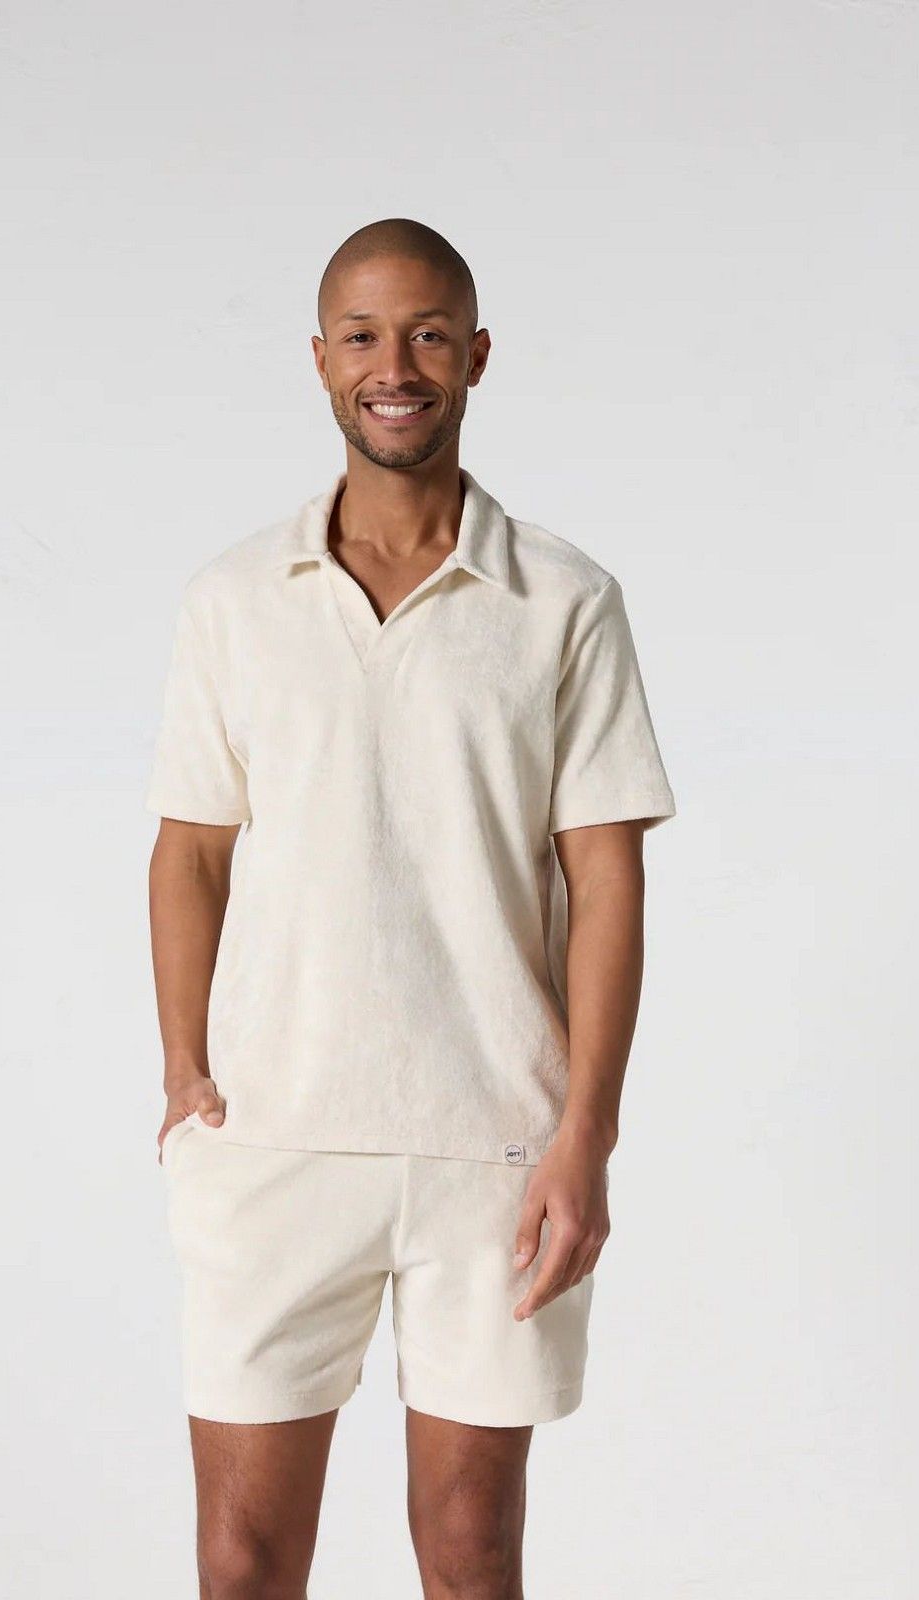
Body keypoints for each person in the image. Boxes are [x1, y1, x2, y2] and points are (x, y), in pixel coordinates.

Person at [144, 216, 677, 1600]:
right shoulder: (233, 599)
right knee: (243, 1560)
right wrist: (186, 1073)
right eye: (365, 337)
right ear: (322, 360)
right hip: (273, 1138)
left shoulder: (563, 600)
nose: (397, 366)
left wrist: (586, 1134)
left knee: (472, 1551)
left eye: (430, 335)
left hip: (495, 1145)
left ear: (477, 357)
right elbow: (190, 850)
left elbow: (607, 878)